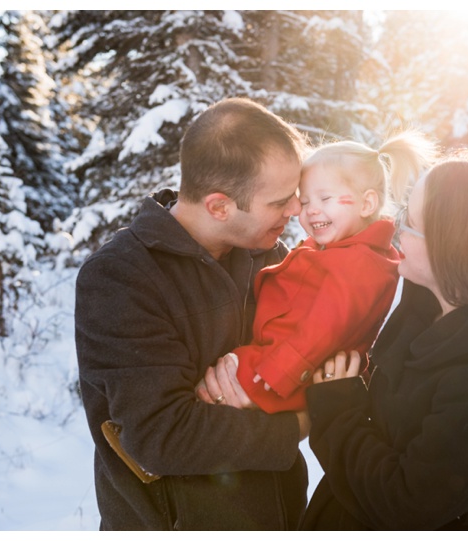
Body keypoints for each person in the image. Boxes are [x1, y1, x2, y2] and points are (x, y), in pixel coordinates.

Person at [75, 97, 312, 530]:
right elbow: (162, 436)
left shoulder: (271, 258)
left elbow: (320, 358)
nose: (296, 210)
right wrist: (295, 424)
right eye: (280, 201)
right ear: (219, 206)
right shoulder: (119, 277)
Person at [300, 147, 468, 530]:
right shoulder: (425, 318)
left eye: (410, 221)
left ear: (457, 247)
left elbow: (406, 504)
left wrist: (338, 407)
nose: (396, 226)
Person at [196, 132, 438, 413]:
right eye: (306, 201)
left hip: (287, 371)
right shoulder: (343, 249)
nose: (310, 211)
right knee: (212, 387)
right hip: (281, 359)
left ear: (367, 204)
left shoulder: (362, 264)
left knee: (207, 392)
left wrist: (282, 369)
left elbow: (328, 323)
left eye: (325, 198)